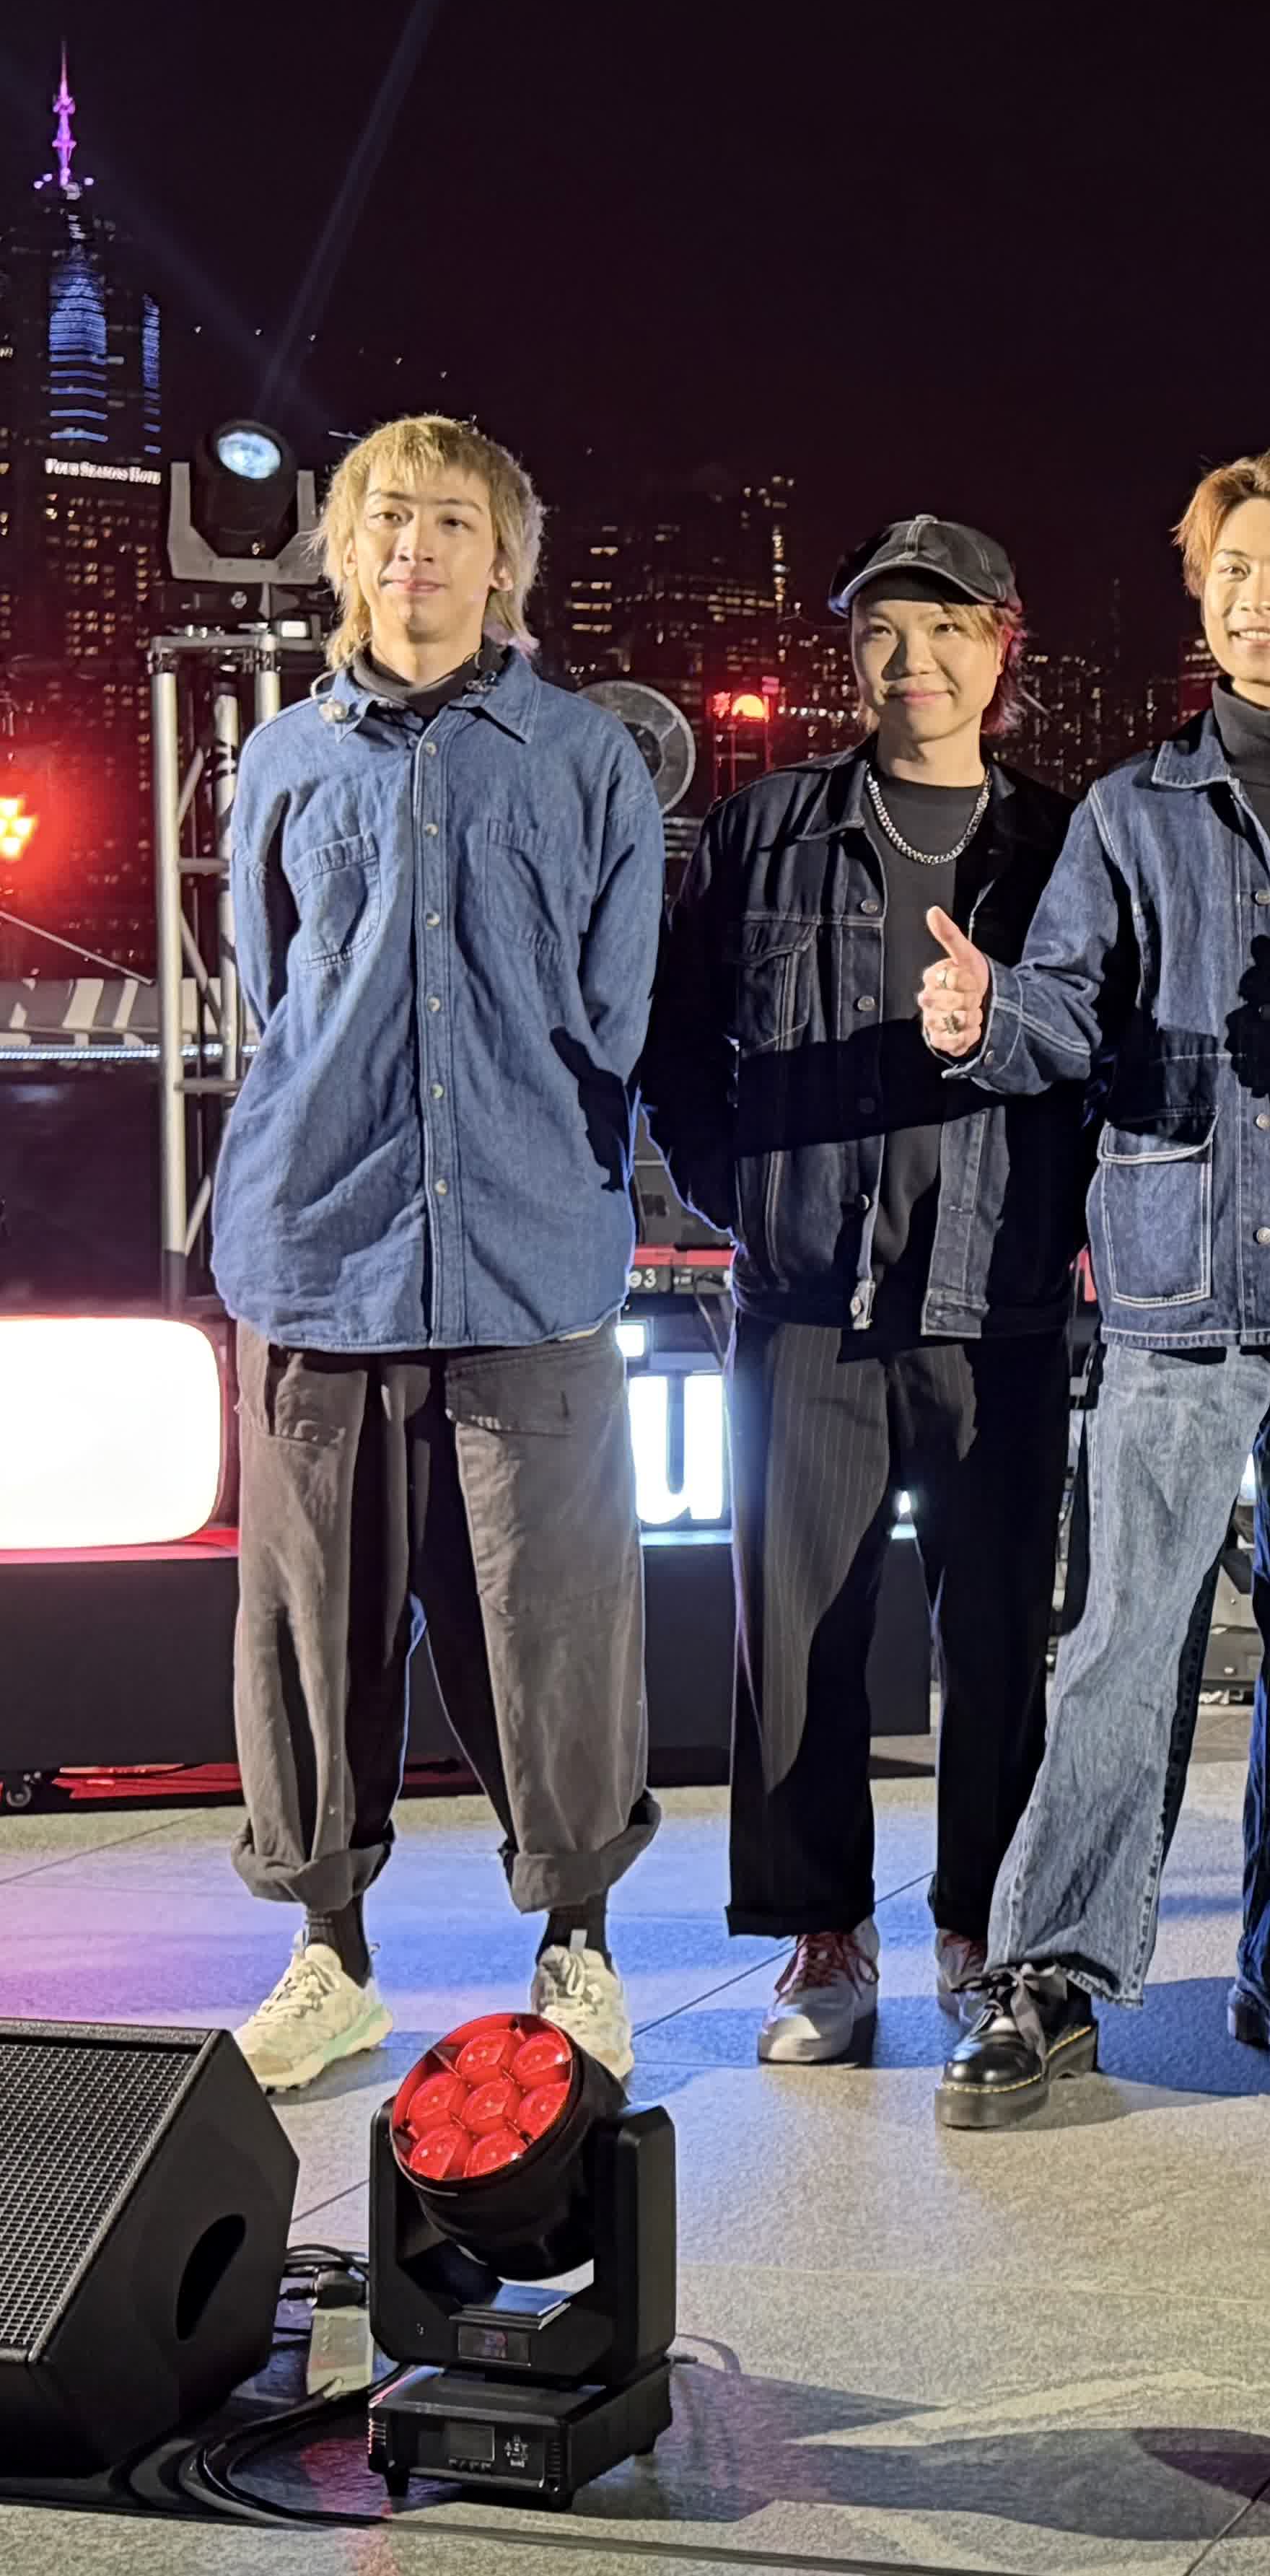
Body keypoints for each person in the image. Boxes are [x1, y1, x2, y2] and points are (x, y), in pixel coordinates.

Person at [916, 452, 1270, 2127]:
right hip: (1178, 1284)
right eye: (1231, 570)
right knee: (1123, 1642)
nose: (1256, 599)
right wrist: (988, 1019)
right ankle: (1053, 1971)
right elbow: (1064, 1007)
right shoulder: (1132, 808)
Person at [214, 413, 662, 2090]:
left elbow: (614, 1009)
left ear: (506, 560)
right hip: (317, 1249)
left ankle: (577, 1944)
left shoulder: (585, 760)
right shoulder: (282, 761)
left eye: (453, 520)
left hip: (531, 1252)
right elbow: (273, 987)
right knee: (309, 1623)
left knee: (558, 1619)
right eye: (389, 518)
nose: (418, 545)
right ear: (348, 552)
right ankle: (328, 1956)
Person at [645, 517, 1086, 2064]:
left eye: (948, 628)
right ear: (849, 651)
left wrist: (1065, 1215)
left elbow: (1105, 1047)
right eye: (885, 631)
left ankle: (982, 1922)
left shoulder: (1061, 842)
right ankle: (822, 1933)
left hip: (997, 1303)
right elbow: (676, 1038)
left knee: (997, 1641)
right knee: (797, 1632)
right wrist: (741, 1194)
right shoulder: (764, 830)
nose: (916, 661)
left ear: (1002, 642)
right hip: (806, 1301)